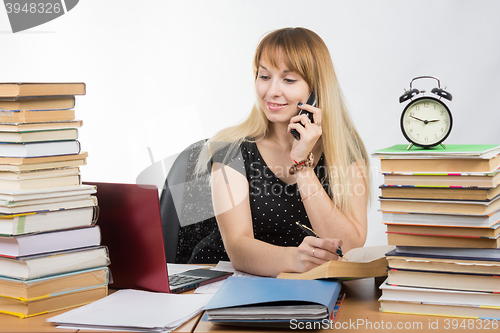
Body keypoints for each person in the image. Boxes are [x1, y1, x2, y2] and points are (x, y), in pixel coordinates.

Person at [190, 27, 371, 277]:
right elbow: (237, 248)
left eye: (288, 80)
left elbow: (349, 246)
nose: (272, 91)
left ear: (316, 90)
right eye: (264, 76)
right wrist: (295, 259)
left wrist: (302, 166)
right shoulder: (230, 148)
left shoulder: (345, 149)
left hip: (305, 286)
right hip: (221, 279)